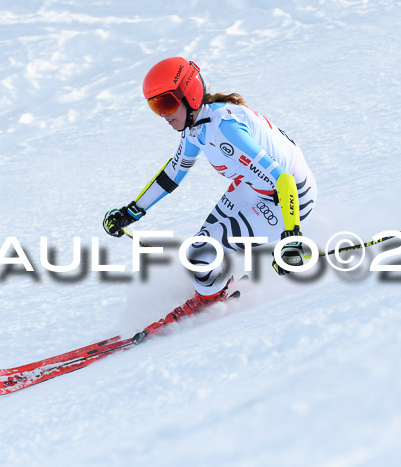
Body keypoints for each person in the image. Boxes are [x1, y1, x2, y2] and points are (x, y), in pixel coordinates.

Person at [103, 57, 317, 341]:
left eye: (166, 104)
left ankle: (209, 301)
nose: (163, 115)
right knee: (203, 247)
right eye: (155, 107)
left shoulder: (224, 128)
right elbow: (172, 174)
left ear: (189, 95)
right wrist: (131, 211)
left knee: (202, 250)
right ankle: (218, 290)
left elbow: (284, 180)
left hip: (290, 198)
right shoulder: (198, 125)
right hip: (255, 187)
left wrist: (291, 237)